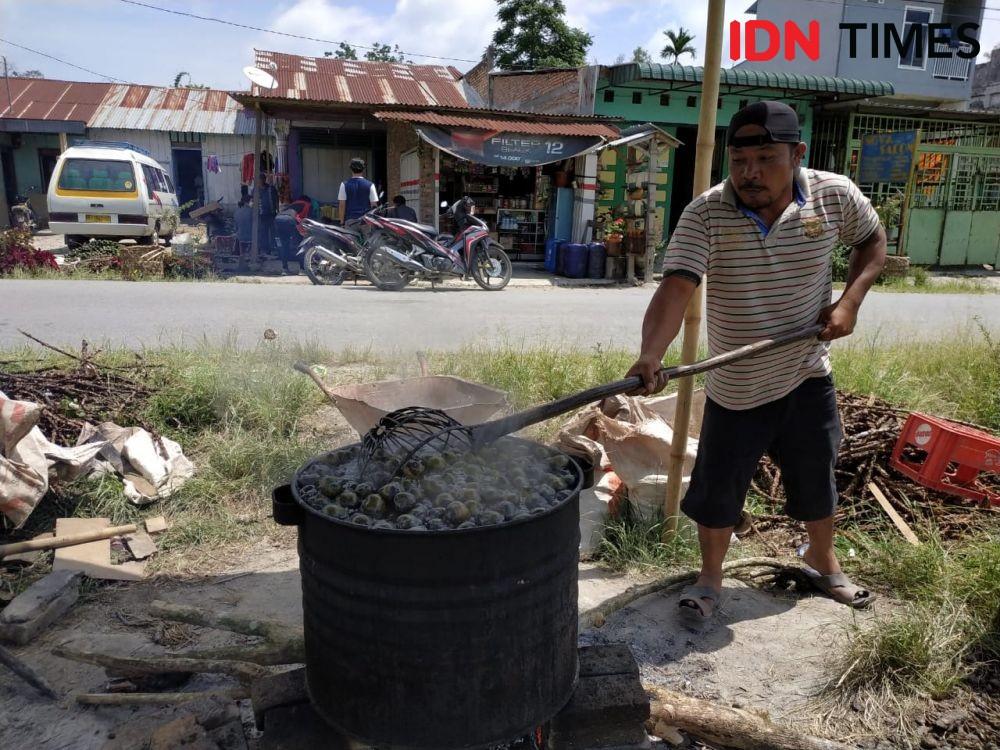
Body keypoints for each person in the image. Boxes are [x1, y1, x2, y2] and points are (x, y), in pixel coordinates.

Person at [626, 101, 887, 624]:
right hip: (736, 384)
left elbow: (873, 241)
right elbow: (676, 289)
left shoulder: (834, 196)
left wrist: (849, 302)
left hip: (807, 371)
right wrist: (650, 355)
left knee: (816, 477)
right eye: (739, 160)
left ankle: (821, 559)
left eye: (765, 159)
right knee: (718, 490)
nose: (749, 173)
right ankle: (710, 578)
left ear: (797, 155)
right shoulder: (705, 213)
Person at [273, 197, 311, 275]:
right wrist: (302, 232)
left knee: (284, 245)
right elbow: (301, 218)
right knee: (300, 245)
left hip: (278, 219)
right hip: (290, 219)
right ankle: (302, 269)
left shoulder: (293, 204)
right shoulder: (306, 204)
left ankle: (284, 269)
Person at [338, 158, 378, 224]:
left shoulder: (344, 184)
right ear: (363, 169)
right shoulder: (370, 185)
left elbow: (342, 205)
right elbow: (374, 205)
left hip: (350, 220)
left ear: (351, 169)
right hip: (365, 221)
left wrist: (342, 222)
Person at [256, 173, 278, 256]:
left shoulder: (271, 189)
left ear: (264, 180)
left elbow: (276, 200)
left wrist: (277, 211)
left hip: (271, 214)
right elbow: (254, 202)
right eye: (258, 180)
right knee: (263, 232)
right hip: (262, 215)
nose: (259, 181)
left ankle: (273, 248)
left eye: (261, 179)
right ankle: (265, 249)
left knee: (273, 232)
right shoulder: (255, 190)